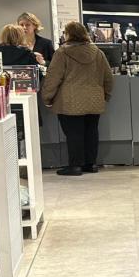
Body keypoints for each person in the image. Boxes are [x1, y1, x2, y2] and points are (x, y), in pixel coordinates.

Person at [40, 21, 114, 176]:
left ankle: (75, 166)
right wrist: (106, 95)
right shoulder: (97, 52)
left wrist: (47, 97)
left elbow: (53, 78)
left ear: (68, 34)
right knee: (91, 132)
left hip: (69, 100)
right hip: (94, 99)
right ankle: (91, 164)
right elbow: (108, 77)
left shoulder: (62, 53)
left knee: (74, 133)